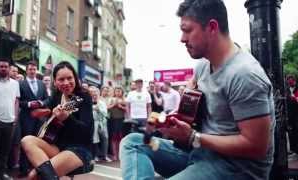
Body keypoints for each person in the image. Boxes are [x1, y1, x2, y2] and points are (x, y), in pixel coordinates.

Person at [119, 0, 275, 180]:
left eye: (187, 30)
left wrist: (193, 136)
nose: (182, 38)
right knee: (133, 143)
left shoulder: (245, 74)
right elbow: (192, 109)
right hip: (198, 154)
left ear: (212, 27)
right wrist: (172, 122)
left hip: (234, 168)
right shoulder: (202, 66)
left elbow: (256, 146)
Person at [20, 61, 94, 180]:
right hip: (57, 146)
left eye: (69, 78)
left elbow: (86, 133)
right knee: (26, 140)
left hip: (79, 149)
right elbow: (39, 110)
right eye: (61, 79)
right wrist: (46, 112)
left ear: (75, 78)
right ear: (55, 82)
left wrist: (67, 118)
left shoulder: (83, 98)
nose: (66, 83)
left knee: (34, 176)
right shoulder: (56, 96)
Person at [18, 61, 50, 176]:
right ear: (26, 70)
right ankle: (23, 169)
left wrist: (41, 102)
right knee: (25, 143)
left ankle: (36, 168)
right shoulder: (20, 84)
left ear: (36, 70)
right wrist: (29, 104)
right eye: (30, 69)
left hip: (40, 119)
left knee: (38, 143)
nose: (32, 71)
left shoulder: (42, 84)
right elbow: (18, 102)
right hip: (26, 118)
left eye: (34, 69)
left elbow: (47, 99)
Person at [89, 86, 112, 162]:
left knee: (105, 138)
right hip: (93, 123)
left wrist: (99, 109)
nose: (94, 95)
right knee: (94, 139)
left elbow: (105, 114)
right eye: (93, 93)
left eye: (96, 93)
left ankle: (104, 155)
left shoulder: (102, 103)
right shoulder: (88, 102)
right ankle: (94, 156)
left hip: (102, 123)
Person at [109, 87, 126, 160]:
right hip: (113, 120)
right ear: (114, 92)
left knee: (120, 137)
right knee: (113, 137)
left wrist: (120, 106)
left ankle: (119, 154)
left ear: (122, 92)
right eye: (116, 91)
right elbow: (107, 107)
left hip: (121, 120)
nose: (118, 92)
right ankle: (114, 155)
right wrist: (114, 104)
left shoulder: (124, 100)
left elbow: (127, 109)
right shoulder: (111, 99)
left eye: (119, 91)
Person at [286, 75, 298, 154]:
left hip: (297, 114)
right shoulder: (286, 90)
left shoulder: (297, 89)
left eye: (291, 81)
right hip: (290, 115)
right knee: (291, 132)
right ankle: (293, 149)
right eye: (288, 81)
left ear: (294, 81)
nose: (290, 83)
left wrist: (294, 98)